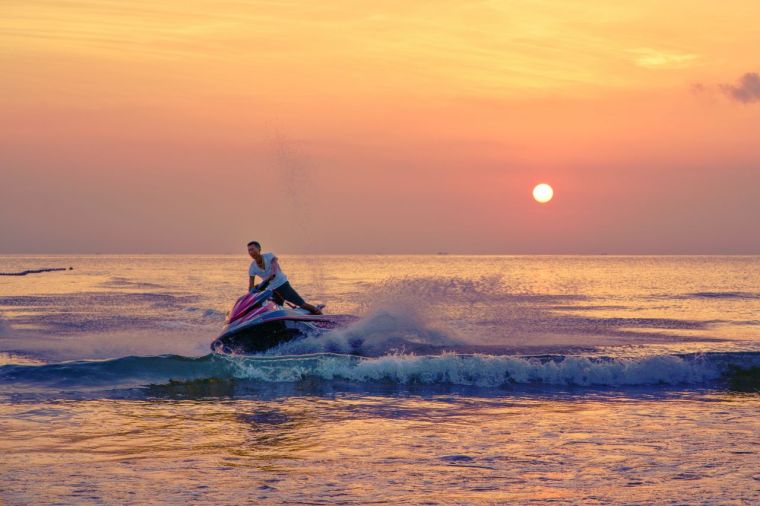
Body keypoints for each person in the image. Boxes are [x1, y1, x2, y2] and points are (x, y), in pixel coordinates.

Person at [246, 241, 323, 315]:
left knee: (302, 304)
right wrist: (250, 295)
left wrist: (267, 279)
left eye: (252, 249)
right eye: (249, 250)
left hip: (283, 286)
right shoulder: (252, 267)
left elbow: (274, 271)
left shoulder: (269, 256)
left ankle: (323, 317)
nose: (250, 252)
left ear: (259, 249)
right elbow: (251, 286)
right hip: (272, 291)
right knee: (275, 312)